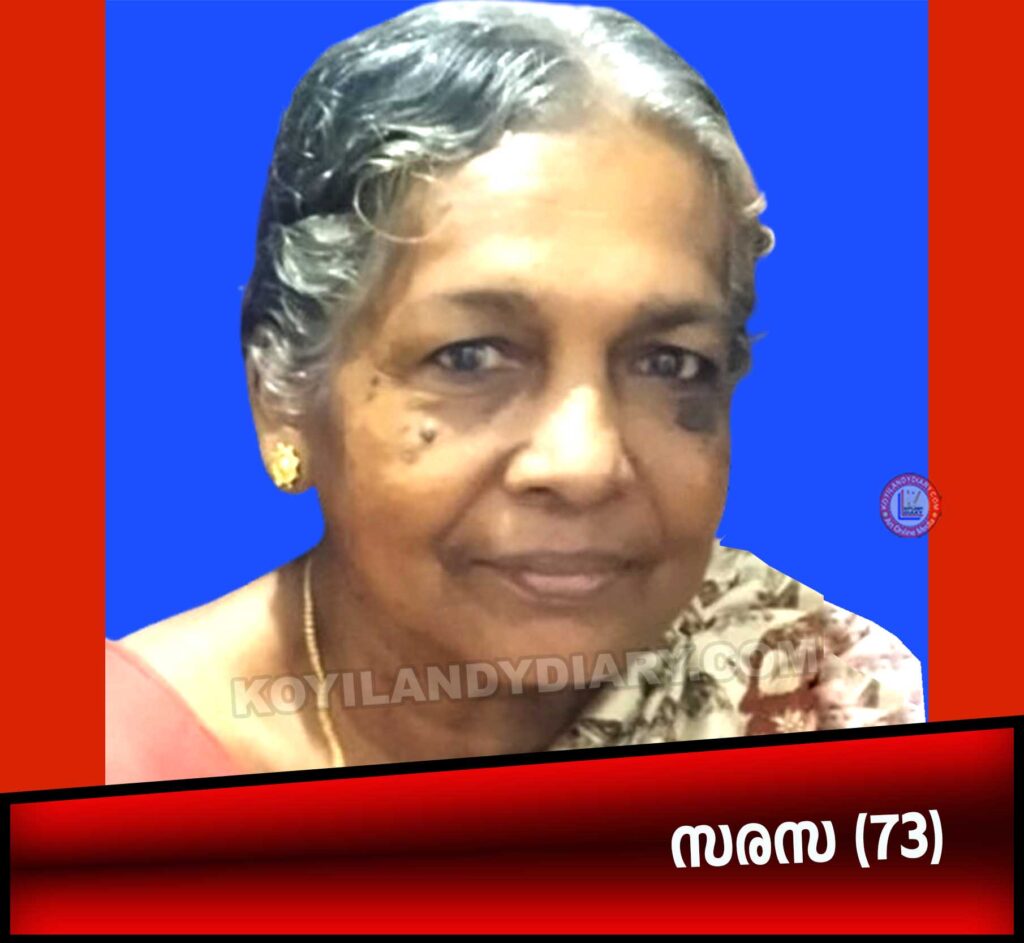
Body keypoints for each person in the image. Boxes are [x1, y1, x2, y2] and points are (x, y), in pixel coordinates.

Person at [106, 0, 925, 784]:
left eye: (670, 363)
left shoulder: (809, 704)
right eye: (470, 357)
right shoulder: (107, 765)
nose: (584, 463)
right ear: (283, 395)